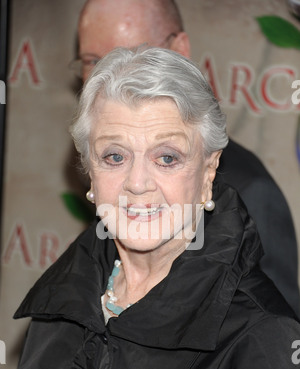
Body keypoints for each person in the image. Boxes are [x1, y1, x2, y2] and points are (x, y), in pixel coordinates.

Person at [5, 46, 300, 369]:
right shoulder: (63, 302)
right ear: (89, 171)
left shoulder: (261, 339)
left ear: (208, 171)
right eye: (114, 156)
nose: (137, 183)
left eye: (166, 157)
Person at [73, 0, 300, 315]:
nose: (112, 77)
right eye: (93, 60)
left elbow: (278, 335)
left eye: (133, 55)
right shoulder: (71, 276)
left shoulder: (251, 193)